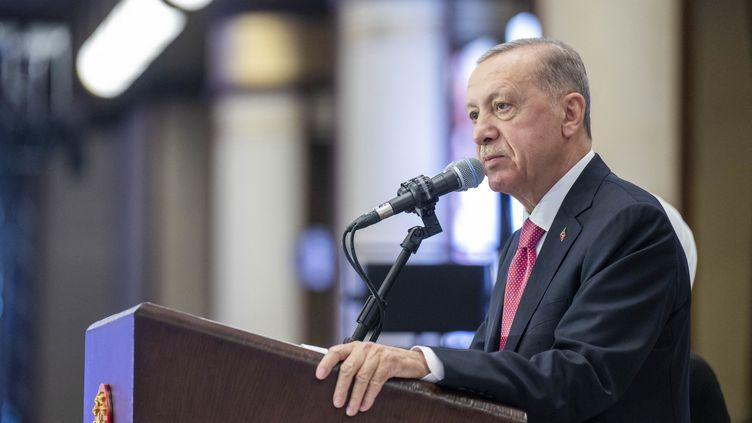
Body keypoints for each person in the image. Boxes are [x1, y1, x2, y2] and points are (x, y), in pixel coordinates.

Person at [316, 38, 691, 422]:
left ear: (570, 114)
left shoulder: (631, 224)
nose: (481, 133)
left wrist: (423, 361)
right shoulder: (522, 242)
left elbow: (578, 377)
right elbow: (491, 369)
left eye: (502, 107)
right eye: (475, 114)